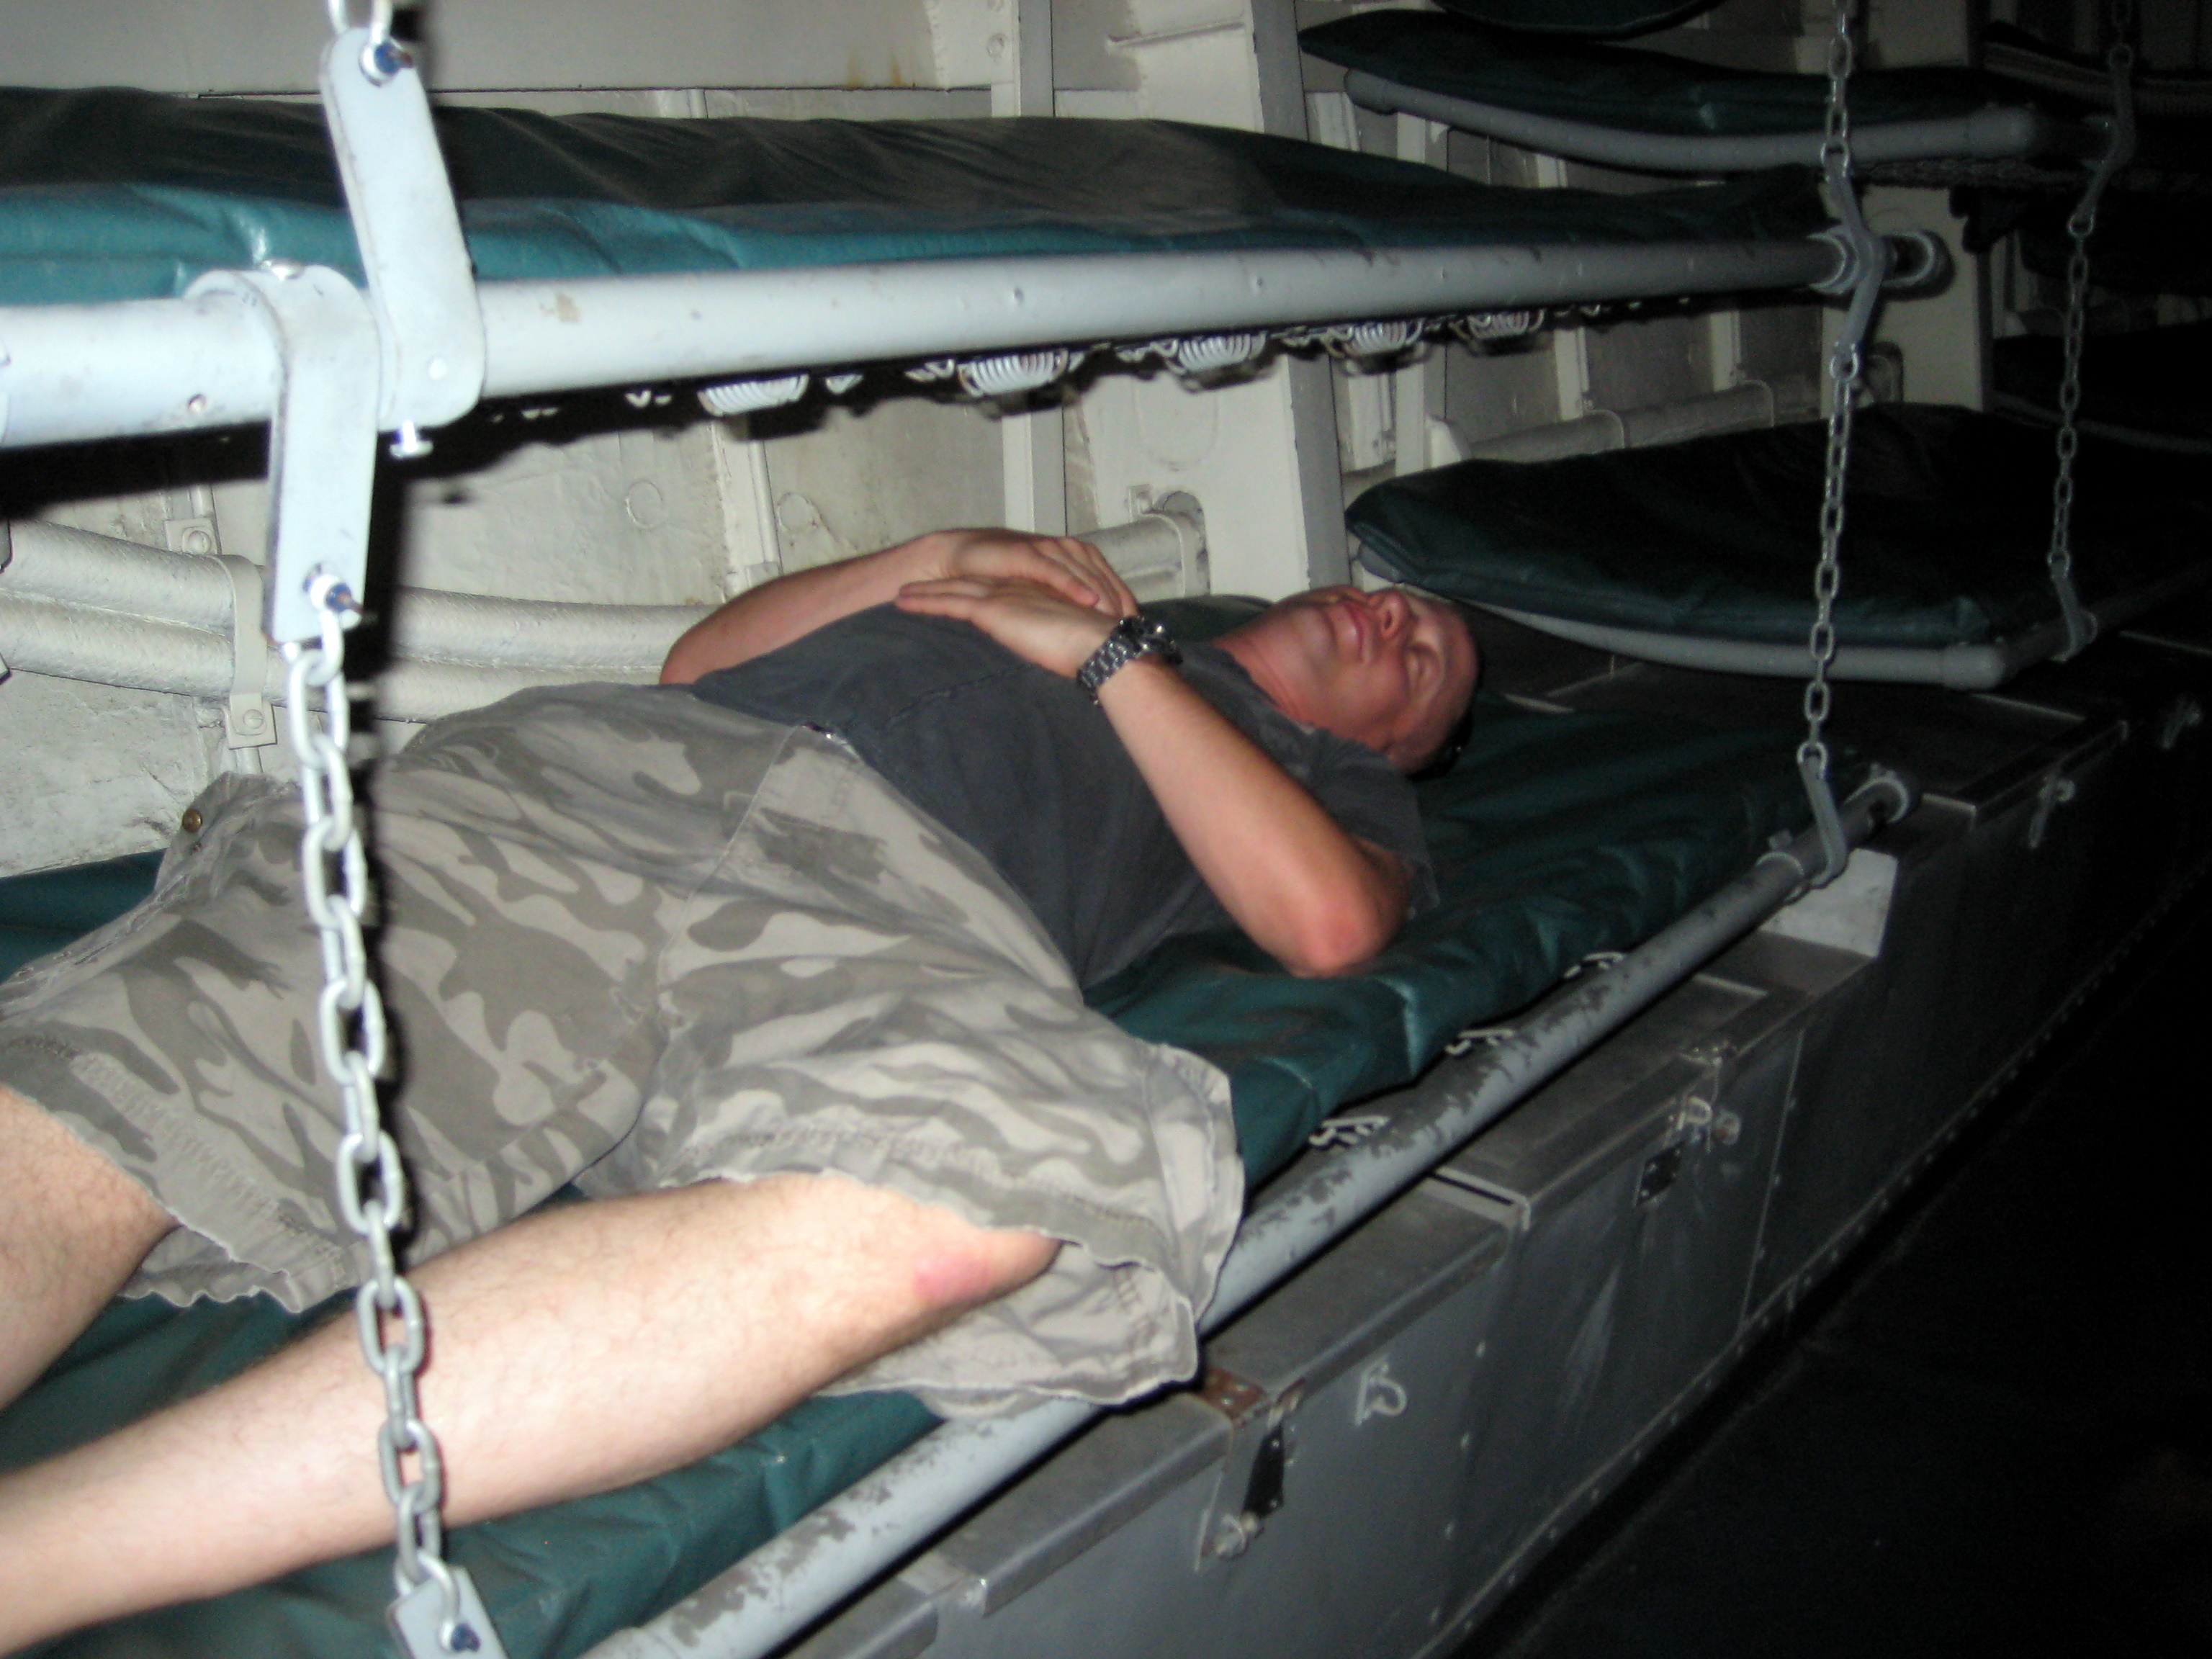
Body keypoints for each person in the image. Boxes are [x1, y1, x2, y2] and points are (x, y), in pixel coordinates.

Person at [0, 526, 1478, 1647]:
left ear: (1397, 752)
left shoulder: (1316, 772)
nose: (1400, 623)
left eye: (1425, 667)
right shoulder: (1067, 583)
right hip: (609, 775)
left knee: (981, 1203)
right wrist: (943, 555)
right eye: (1409, 606)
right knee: (180, 1045)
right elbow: (699, 661)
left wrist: (1104, 661)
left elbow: (1327, 923)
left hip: (899, 910)